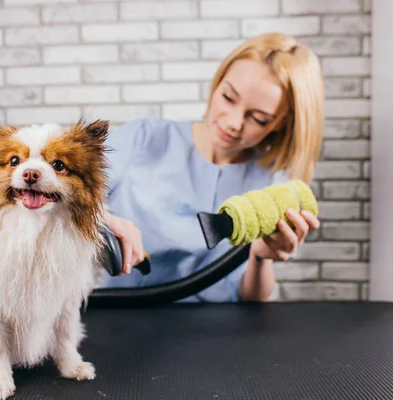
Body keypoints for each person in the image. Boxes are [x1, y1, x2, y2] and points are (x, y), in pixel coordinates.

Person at [99, 32, 324, 303]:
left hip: (214, 329)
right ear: (218, 83)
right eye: (228, 97)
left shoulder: (272, 183)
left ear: (282, 125)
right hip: (116, 312)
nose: (234, 122)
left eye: (259, 119)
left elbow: (251, 297)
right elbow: (59, 201)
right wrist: (102, 219)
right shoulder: (142, 139)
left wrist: (261, 257)